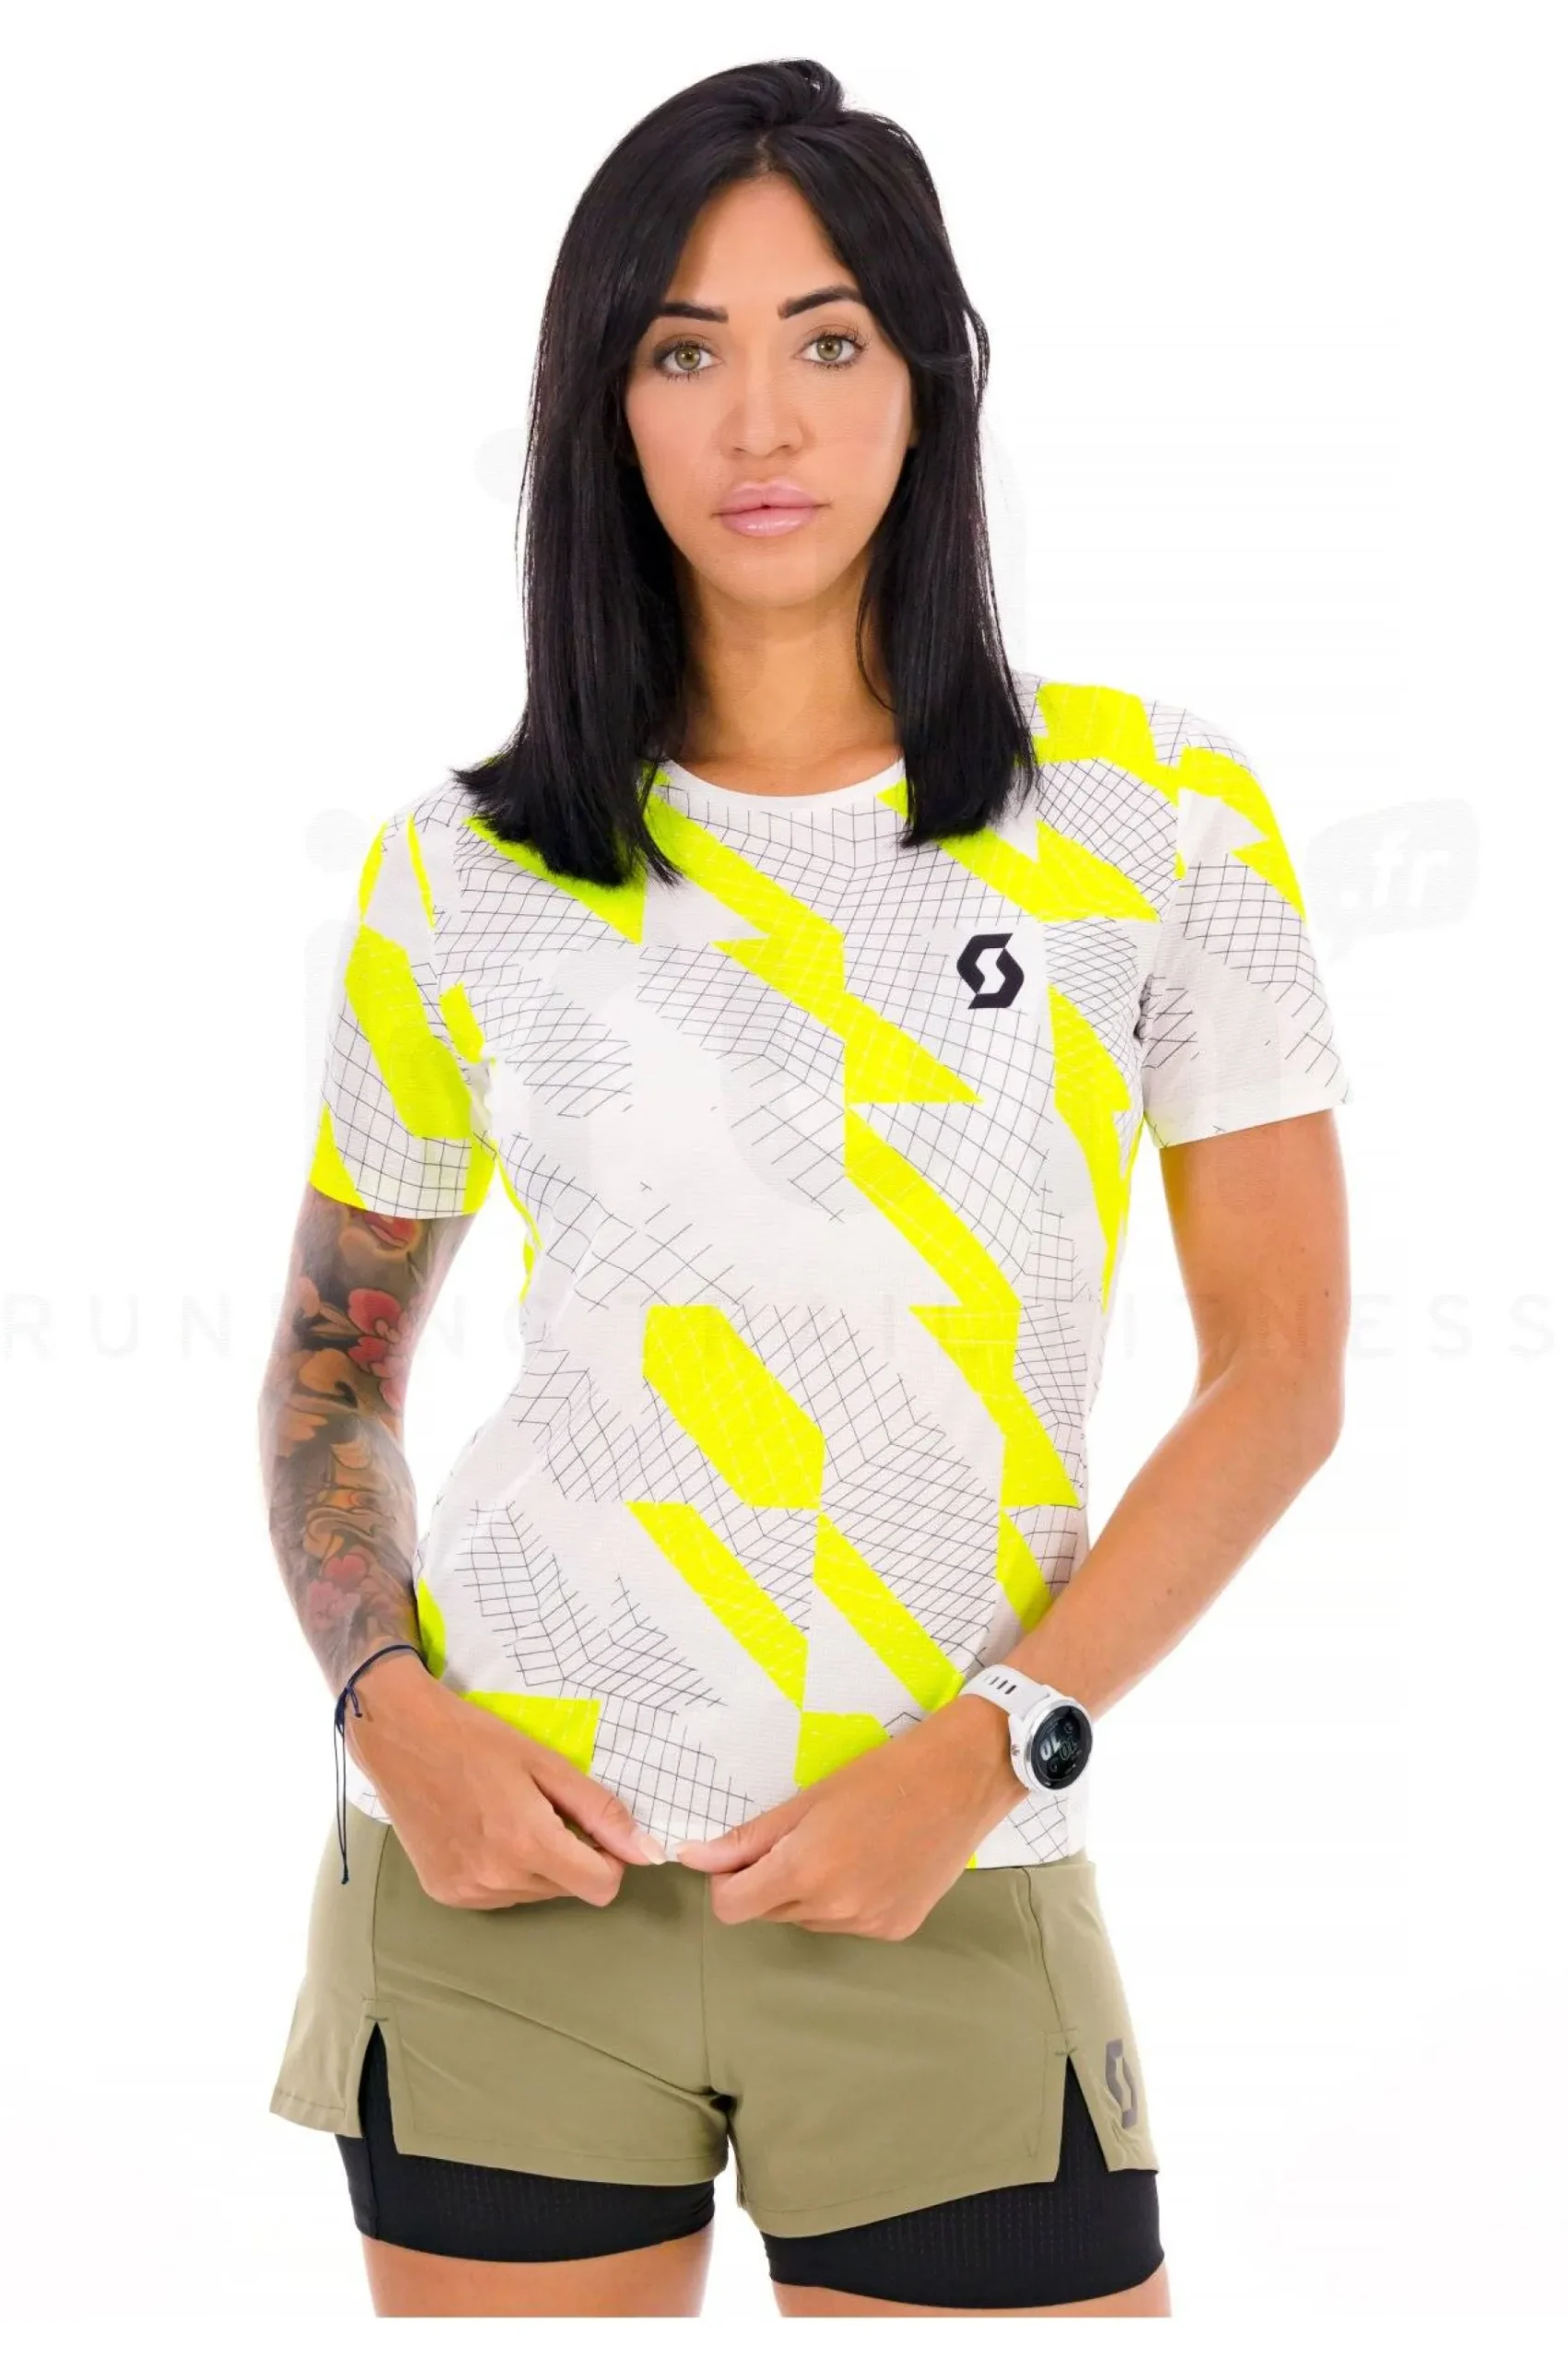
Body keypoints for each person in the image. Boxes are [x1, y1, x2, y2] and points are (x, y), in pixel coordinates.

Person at [259, 58, 1352, 2318]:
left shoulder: (1148, 823)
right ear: (602, 406)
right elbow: (329, 1371)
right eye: (683, 350)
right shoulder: (461, 870)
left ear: (927, 376)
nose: (759, 420)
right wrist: (393, 1716)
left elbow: (1278, 1369)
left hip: (944, 1873)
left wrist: (988, 1749)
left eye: (826, 338)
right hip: (503, 1891)